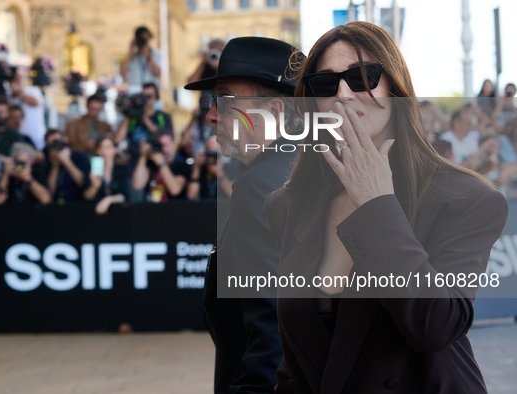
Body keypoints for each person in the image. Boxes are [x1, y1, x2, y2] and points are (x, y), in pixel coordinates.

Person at [263, 21, 508, 393]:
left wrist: (376, 205)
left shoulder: (467, 199)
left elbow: (435, 327)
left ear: (395, 88)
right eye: (326, 84)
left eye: (363, 77)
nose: (343, 94)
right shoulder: (287, 204)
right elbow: (299, 354)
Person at [184, 36, 305, 393]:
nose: (210, 114)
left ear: (274, 111)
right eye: (212, 100)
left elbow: (273, 324)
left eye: (224, 100)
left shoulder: (260, 185)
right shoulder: (298, 168)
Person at [131, 133, 191, 203]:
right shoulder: (151, 163)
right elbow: (137, 185)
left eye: (166, 145)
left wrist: (162, 164)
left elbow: (175, 190)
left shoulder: (181, 165)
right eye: (160, 145)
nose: (163, 149)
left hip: (172, 210)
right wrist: (143, 155)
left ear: (174, 145)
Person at [83, 134, 128, 214]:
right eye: (100, 147)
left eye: (107, 147)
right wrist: (95, 186)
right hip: (93, 215)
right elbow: (86, 197)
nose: (104, 151)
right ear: (97, 151)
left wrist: (108, 200)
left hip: (118, 215)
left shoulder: (121, 169)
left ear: (114, 150)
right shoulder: (90, 170)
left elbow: (125, 195)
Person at [42, 129, 90, 204]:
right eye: (52, 144)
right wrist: (55, 166)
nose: (56, 146)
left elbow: (83, 183)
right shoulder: (48, 161)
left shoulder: (79, 156)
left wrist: (66, 161)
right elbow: (49, 193)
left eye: (58, 141)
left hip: (78, 205)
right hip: (56, 206)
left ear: (65, 139)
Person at [119, 26, 161, 93]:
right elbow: (122, 73)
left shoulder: (156, 55)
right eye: (141, 38)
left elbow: (159, 73)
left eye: (145, 39)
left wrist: (148, 57)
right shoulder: (131, 57)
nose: (143, 41)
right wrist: (130, 52)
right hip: (134, 93)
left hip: (150, 94)